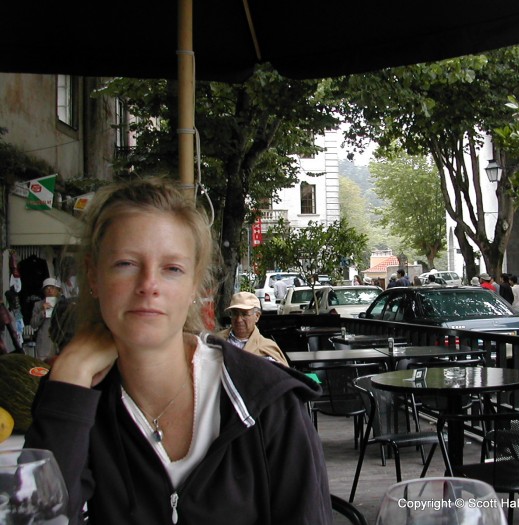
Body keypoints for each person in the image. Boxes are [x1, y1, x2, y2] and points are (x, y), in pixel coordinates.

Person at [24, 178, 331, 524]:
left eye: (172, 269)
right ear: (93, 276)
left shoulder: (269, 404)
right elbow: (37, 515)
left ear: (193, 287)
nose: (148, 286)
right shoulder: (72, 398)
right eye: (125, 263)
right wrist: (69, 382)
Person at [217, 291, 289, 366]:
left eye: (244, 314)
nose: (238, 319)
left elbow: (282, 375)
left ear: (257, 316)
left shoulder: (267, 347)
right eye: (235, 313)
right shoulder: (216, 340)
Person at [30, 277, 62, 361]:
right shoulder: (38, 305)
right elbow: (33, 324)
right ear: (43, 291)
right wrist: (42, 312)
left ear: (57, 290)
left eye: (52, 288)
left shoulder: (63, 303)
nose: (50, 290)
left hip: (59, 342)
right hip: (44, 343)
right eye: (47, 288)